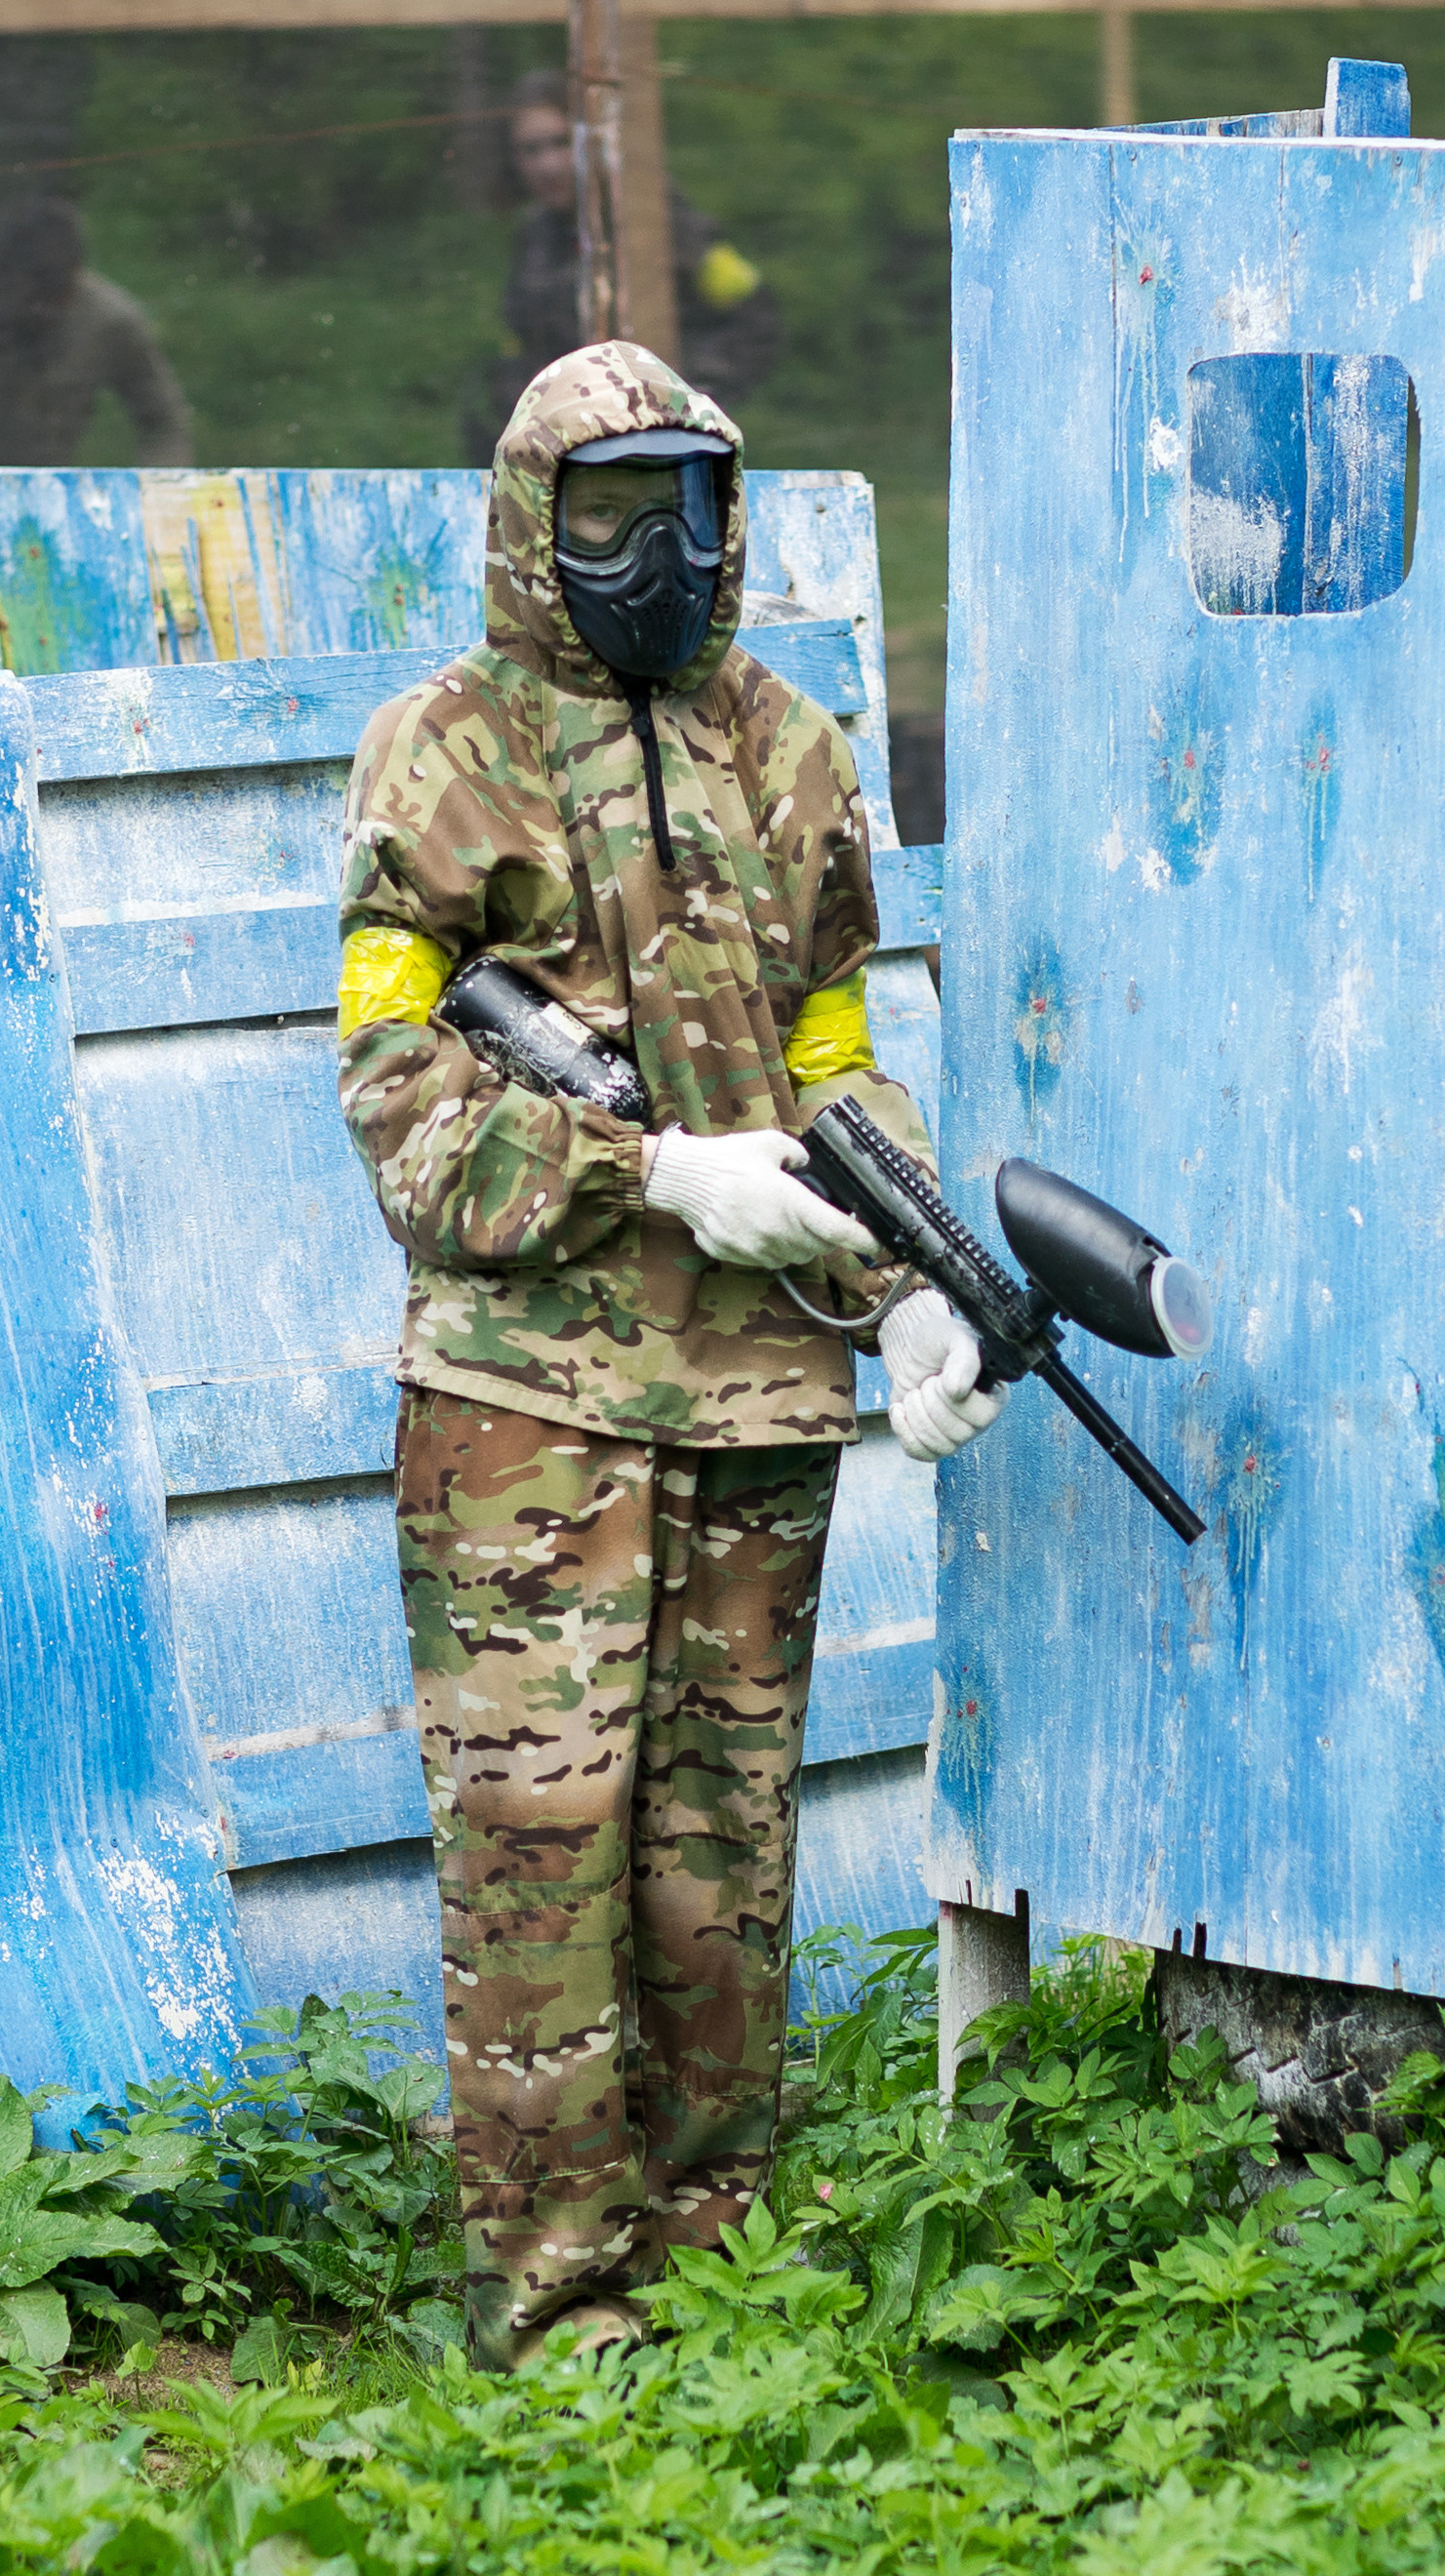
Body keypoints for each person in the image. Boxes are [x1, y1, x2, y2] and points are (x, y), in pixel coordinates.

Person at [337, 338, 1006, 2370]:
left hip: (756, 1408)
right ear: (540, 522)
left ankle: (715, 2240)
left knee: (721, 1859)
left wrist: (910, 1280)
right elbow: (402, 1107)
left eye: (698, 505)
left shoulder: (790, 745)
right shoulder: (439, 751)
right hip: (525, 1416)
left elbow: (833, 1050)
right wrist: (653, 1172)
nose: (665, 550)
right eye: (617, 509)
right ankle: (557, 2296)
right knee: (541, 1865)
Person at [463, 71, 783, 458]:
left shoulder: (655, 217)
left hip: (668, 456)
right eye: (529, 151)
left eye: (560, 143)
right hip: (567, 460)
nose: (546, 165)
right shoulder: (534, 237)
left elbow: (755, 311)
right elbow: (522, 348)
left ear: (592, 140)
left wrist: (691, 398)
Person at [0, 195, 191, 466]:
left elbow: (166, 426)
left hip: (50, 495)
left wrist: (147, 497)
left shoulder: (109, 322)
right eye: (34, 295)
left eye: (59, 293)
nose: (46, 309)